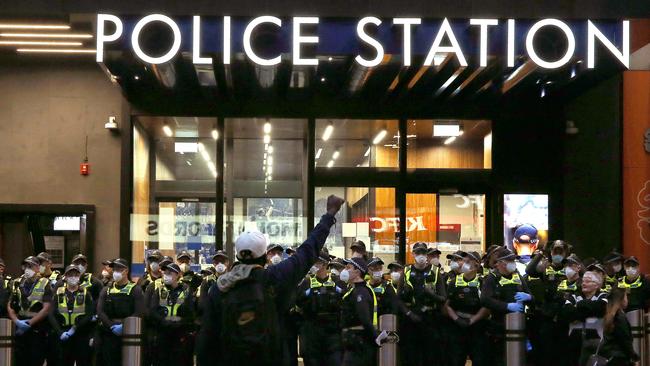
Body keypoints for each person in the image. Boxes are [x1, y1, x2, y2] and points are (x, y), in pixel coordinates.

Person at [196, 194, 344, 366]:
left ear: (236, 255)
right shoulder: (276, 277)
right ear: (265, 256)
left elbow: (205, 339)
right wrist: (329, 214)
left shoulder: (219, 288)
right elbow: (308, 249)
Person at [480, 247, 532, 366]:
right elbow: (485, 299)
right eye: (510, 261)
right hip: (499, 326)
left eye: (513, 260)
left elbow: (531, 296)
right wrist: (506, 306)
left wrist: (528, 297)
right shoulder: (492, 278)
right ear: (501, 263)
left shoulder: (517, 275)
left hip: (518, 325)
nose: (513, 263)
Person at [398, 242, 446, 366]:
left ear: (427, 255)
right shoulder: (406, 271)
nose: (421, 256)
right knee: (411, 356)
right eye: (418, 253)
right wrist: (408, 313)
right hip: (411, 319)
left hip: (430, 319)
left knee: (430, 357)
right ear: (413, 254)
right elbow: (398, 299)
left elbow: (443, 298)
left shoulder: (435, 271)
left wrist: (431, 294)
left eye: (423, 253)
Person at [524, 240, 570, 366]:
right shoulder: (545, 266)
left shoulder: (569, 267)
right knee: (545, 351)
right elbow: (529, 270)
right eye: (556, 251)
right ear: (551, 252)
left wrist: (572, 257)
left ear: (565, 253)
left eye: (561, 251)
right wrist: (541, 252)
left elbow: (581, 271)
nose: (558, 254)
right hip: (547, 314)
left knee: (563, 352)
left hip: (565, 314)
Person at [297, 249, 344, 366]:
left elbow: (344, 301)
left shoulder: (336, 282)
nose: (314, 265)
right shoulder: (306, 282)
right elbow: (298, 302)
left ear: (325, 264)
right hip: (312, 332)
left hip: (332, 333)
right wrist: (308, 293)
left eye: (317, 262)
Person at [340, 257, 389, 366]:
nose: (345, 270)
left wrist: (376, 336)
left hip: (360, 342)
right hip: (353, 341)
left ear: (357, 272)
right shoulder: (353, 290)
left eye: (348, 268)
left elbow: (365, 318)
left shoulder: (361, 292)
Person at [96, 258, 145, 366]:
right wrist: (112, 326)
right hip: (109, 333)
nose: (115, 272)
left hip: (129, 334)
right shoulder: (106, 290)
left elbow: (139, 312)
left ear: (126, 271)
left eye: (119, 269)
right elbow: (100, 311)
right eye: (114, 269)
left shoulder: (135, 289)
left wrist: (124, 326)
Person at [444, 251, 490, 366]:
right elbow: (447, 305)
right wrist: (457, 319)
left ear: (477, 264)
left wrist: (472, 320)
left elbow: (487, 307)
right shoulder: (454, 282)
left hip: (477, 327)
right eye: (464, 261)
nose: (464, 263)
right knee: (456, 360)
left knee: (479, 359)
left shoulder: (483, 282)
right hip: (458, 327)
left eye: (469, 261)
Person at [146, 263, 197, 366]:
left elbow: (191, 314)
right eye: (165, 272)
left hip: (180, 335)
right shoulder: (159, 290)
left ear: (178, 275)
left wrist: (180, 323)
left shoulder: (186, 291)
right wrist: (163, 321)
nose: (166, 275)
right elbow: (153, 311)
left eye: (170, 273)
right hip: (162, 333)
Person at [7, 256, 54, 366]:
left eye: (31, 266)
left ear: (37, 268)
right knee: (19, 360)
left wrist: (29, 323)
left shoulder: (45, 283)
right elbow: (10, 305)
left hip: (37, 329)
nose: (27, 269)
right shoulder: (17, 282)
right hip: (20, 328)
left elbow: (46, 308)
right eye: (26, 266)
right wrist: (16, 321)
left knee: (35, 360)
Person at [561, 264, 608, 366]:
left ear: (597, 284)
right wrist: (589, 311)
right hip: (574, 342)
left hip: (596, 342)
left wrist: (580, 307)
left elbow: (601, 309)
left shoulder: (603, 296)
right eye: (583, 281)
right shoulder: (573, 296)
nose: (583, 284)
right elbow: (566, 313)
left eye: (588, 281)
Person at [49, 264, 95, 366]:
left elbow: (89, 314)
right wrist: (60, 332)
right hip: (63, 333)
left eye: (76, 275)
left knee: (83, 362)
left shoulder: (86, 293)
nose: (73, 277)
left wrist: (74, 328)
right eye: (70, 275)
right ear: (65, 277)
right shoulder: (58, 292)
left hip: (81, 334)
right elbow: (51, 314)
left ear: (79, 277)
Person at [600, 287, 640, 366]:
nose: (627, 300)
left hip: (610, 357)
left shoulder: (609, 316)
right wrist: (634, 357)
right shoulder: (619, 317)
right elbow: (624, 341)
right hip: (620, 358)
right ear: (621, 300)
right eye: (626, 297)